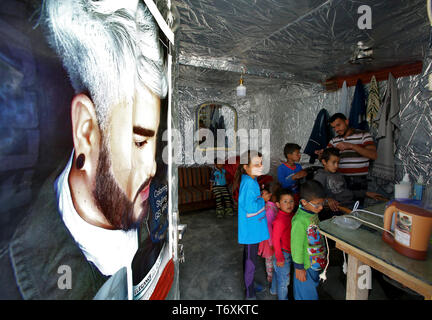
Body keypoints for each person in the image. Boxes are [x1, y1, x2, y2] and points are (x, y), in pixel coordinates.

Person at [0, 0, 169, 299]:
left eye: (153, 142)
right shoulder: (15, 282)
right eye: (139, 142)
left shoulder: (154, 201)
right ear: (87, 131)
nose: (153, 166)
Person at [315, 113, 377, 207]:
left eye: (338, 125)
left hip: (359, 180)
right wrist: (320, 155)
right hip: (339, 180)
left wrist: (351, 146)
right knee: (340, 208)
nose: (336, 129)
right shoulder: (333, 141)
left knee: (357, 208)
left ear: (346, 121)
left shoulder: (363, 135)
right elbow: (326, 159)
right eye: (334, 127)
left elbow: (373, 155)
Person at [234, 150, 269, 300]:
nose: (260, 166)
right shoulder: (249, 184)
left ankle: (251, 285)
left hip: (252, 230)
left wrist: (260, 196)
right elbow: (251, 208)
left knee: (250, 260)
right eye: (256, 164)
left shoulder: (251, 180)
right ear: (245, 167)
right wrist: (263, 199)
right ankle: (249, 293)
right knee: (250, 263)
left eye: (261, 163)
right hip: (250, 232)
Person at [314, 147, 384, 220]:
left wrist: (366, 193)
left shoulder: (339, 174)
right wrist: (327, 200)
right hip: (338, 210)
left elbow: (348, 192)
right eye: (333, 162)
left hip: (351, 206)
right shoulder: (320, 176)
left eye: (338, 163)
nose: (336, 166)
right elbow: (315, 196)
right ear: (324, 162)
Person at [291, 180, 327, 300]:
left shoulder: (312, 211)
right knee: (306, 294)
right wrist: (299, 268)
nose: (321, 207)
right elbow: (296, 246)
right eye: (317, 204)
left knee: (311, 289)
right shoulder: (299, 221)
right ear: (304, 202)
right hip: (305, 266)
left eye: (323, 203)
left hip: (315, 262)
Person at [271, 188, 295, 300]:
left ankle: (273, 290)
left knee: (278, 274)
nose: (289, 204)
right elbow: (275, 240)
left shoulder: (290, 215)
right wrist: (279, 257)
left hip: (286, 252)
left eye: (291, 201)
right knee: (284, 282)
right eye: (285, 201)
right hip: (282, 254)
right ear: (278, 205)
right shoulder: (279, 221)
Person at [257, 183, 278, 289]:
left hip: (271, 239)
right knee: (270, 260)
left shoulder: (271, 207)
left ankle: (272, 277)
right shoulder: (270, 210)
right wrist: (271, 244)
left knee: (271, 260)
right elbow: (268, 228)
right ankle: (271, 279)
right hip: (269, 240)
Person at [277, 143, 307, 207]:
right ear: (289, 155)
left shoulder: (298, 167)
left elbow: (302, 183)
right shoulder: (281, 168)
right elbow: (282, 184)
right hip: (287, 199)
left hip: (298, 196)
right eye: (297, 153)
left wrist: (304, 176)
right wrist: (293, 177)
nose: (299, 155)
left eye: (300, 153)